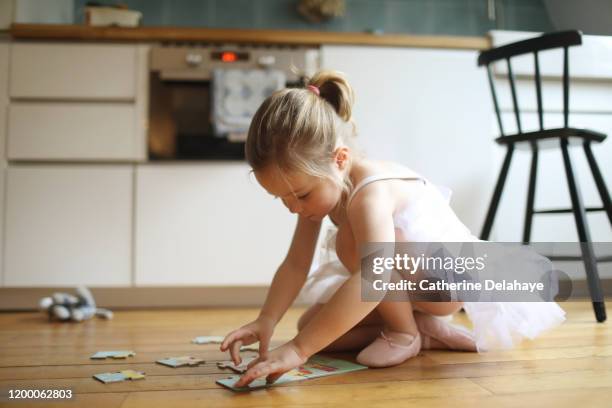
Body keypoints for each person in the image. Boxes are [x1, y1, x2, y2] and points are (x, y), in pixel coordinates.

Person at [220, 70, 566, 387]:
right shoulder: (318, 187)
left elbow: (376, 276)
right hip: (405, 281)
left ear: (339, 160)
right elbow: (297, 262)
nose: (294, 206)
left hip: (446, 281)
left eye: (300, 195)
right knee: (310, 326)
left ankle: (405, 333)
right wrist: (267, 320)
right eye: (282, 198)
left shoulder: (370, 193)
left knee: (353, 247)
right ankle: (423, 330)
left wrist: (298, 351)